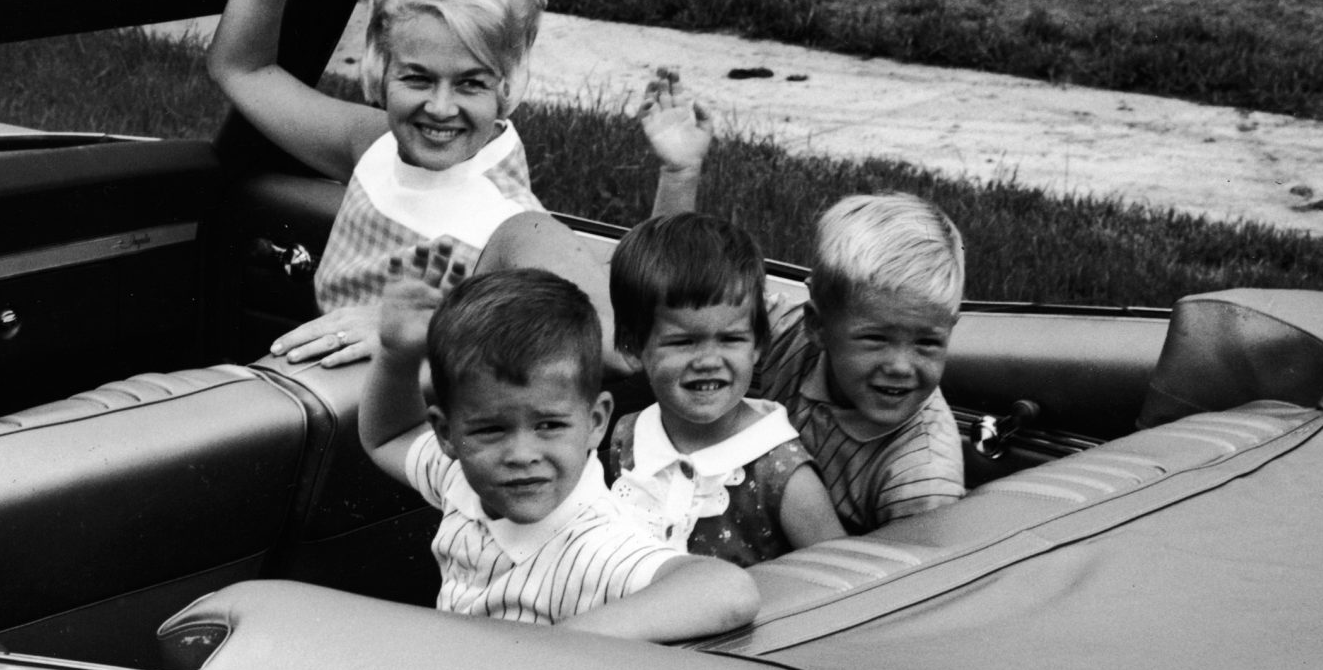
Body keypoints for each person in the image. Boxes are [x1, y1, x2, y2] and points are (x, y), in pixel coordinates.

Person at [206, 0, 701, 369]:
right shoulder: (374, 146)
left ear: (509, 80)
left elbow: (633, 346)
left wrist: (436, 323)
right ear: (378, 67)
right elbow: (240, 67)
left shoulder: (513, 228)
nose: (440, 108)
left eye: (470, 83)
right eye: (417, 77)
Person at [356, 260, 760, 639]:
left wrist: (560, 645)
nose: (521, 454)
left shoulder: (595, 545)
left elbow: (728, 590)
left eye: (549, 425)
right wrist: (396, 358)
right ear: (447, 435)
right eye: (492, 430)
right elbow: (390, 436)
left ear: (596, 422)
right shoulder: (459, 476)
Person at [602, 213, 845, 563]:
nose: (708, 360)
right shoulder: (629, 437)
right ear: (632, 345)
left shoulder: (780, 474)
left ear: (758, 343)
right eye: (683, 342)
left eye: (731, 339)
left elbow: (844, 581)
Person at [750, 193, 968, 533]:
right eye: (876, 339)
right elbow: (673, 293)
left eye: (927, 342)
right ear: (817, 326)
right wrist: (679, 174)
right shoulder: (789, 333)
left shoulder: (922, 480)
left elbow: (911, 583)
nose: (900, 366)